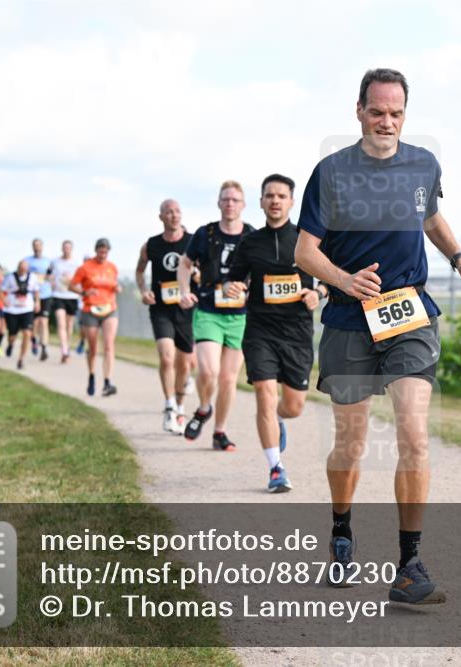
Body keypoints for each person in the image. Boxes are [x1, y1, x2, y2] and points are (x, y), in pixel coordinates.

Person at [294, 68, 461, 604]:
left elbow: (432, 220)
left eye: (396, 113)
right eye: (377, 112)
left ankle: (410, 565)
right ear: (358, 111)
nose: (386, 122)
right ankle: (340, 533)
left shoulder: (423, 163)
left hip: (408, 314)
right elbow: (305, 252)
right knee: (351, 444)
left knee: (414, 434)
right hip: (350, 319)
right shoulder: (330, 172)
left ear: (406, 114)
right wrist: (344, 281)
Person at [225, 174, 323, 492]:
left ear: (292, 201)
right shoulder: (250, 242)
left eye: (282, 195)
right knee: (265, 397)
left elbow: (334, 278)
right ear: (262, 202)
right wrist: (232, 286)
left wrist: (318, 292)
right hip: (260, 331)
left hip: (297, 333)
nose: (275, 200)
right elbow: (232, 280)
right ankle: (275, 468)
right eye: (270, 195)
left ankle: (279, 418)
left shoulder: (309, 240)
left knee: (293, 406)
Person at [178, 181, 255, 450]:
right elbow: (185, 263)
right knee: (209, 371)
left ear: (243, 205)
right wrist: (185, 291)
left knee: (228, 379)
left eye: (235, 200)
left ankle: (219, 432)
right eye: (226, 199)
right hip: (209, 311)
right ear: (219, 203)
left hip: (240, 316)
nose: (230, 204)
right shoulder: (205, 233)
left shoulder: (252, 235)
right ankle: (203, 407)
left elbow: (262, 271)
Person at [136, 199, 198, 434]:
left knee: (185, 363)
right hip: (161, 308)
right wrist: (144, 291)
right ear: (161, 217)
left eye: (177, 211)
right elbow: (140, 270)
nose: (174, 215)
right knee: (166, 356)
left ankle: (181, 408)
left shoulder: (193, 241)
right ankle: (169, 405)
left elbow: (204, 271)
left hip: (187, 309)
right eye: (169, 212)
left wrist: (197, 278)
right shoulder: (151, 245)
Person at [70, 238, 121, 397]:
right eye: (100, 252)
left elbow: (113, 284)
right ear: (96, 250)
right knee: (93, 347)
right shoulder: (85, 268)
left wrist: (117, 288)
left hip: (109, 309)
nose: (102, 255)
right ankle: (92, 375)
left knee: (108, 344)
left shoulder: (112, 267)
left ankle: (107, 382)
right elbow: (71, 285)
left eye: (105, 252)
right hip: (90, 309)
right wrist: (85, 292)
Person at [0, 260, 41, 370]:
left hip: (27, 309)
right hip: (12, 310)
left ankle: (21, 359)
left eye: (25, 268)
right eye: (21, 268)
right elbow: (1, 291)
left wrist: (37, 302)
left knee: (27, 333)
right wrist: (4, 300)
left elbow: (36, 291)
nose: (23, 270)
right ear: (18, 268)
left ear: (27, 269)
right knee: (12, 334)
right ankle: (11, 344)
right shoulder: (10, 278)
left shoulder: (32, 278)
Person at [49, 240, 81, 363]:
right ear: (62, 248)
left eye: (69, 248)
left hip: (72, 296)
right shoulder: (55, 261)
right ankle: (64, 350)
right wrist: (51, 281)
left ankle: (67, 346)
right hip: (58, 295)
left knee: (69, 326)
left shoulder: (76, 262)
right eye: (64, 247)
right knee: (61, 324)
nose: (66, 250)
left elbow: (81, 278)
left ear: (71, 249)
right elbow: (48, 273)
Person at [24, 238, 53, 360]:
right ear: (32, 247)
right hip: (31, 295)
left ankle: (44, 347)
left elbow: (51, 275)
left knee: (43, 322)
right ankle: (34, 341)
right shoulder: (27, 261)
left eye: (39, 245)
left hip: (45, 294)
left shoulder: (48, 261)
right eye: (34, 245)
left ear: (42, 246)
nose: (37, 247)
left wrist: (46, 279)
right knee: (34, 324)